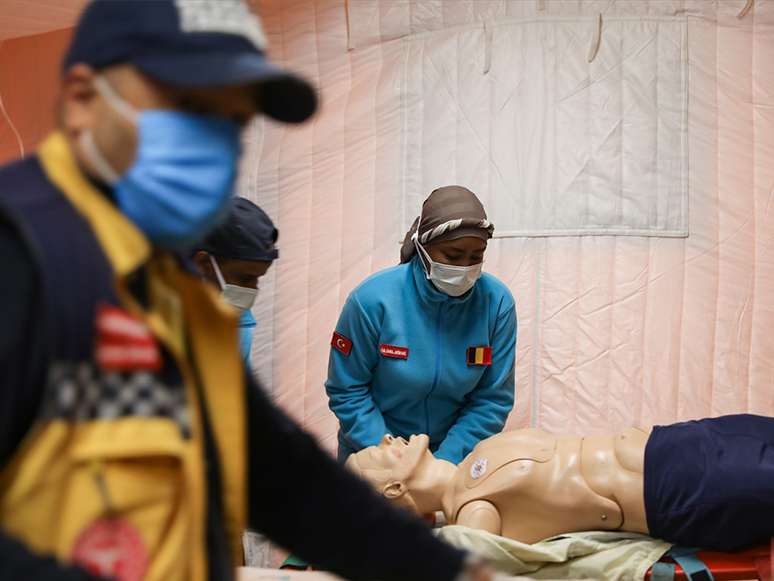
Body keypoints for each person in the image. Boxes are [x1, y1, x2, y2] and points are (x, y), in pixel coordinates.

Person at [0, 1, 494, 580]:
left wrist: (443, 569)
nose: (215, 147)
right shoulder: (19, 250)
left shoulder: (174, 292)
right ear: (84, 99)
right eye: (188, 108)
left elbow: (277, 473)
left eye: (233, 122)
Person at [346, 414, 774, 551]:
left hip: (677, 440)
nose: (385, 439)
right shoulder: (473, 519)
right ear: (392, 491)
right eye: (376, 455)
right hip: (677, 490)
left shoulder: (475, 455)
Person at [325, 185, 517, 465]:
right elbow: (347, 390)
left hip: (454, 457)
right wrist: (394, 459)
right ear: (423, 248)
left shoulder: (497, 304)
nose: (465, 266)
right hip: (374, 452)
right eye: (452, 256)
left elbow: (492, 400)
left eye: (476, 257)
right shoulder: (371, 300)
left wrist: (442, 466)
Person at [192, 197, 278, 364]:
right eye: (245, 278)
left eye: (258, 279)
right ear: (204, 262)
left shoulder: (238, 321)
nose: (252, 289)